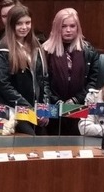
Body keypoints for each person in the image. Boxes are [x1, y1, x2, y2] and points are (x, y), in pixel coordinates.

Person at [0, 5, 49, 135]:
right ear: (11, 25)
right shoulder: (2, 49)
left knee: (42, 145)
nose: (24, 27)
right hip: (13, 109)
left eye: (27, 23)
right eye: (19, 24)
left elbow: (44, 81)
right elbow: (4, 85)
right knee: (27, 142)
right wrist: (28, 108)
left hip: (36, 112)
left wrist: (44, 110)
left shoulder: (37, 47)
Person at [41, 8, 100, 136]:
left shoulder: (89, 51)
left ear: (77, 27)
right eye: (63, 26)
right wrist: (56, 101)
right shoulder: (44, 51)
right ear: (57, 28)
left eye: (72, 26)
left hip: (79, 107)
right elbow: (42, 82)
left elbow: (92, 82)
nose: (68, 30)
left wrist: (74, 100)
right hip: (52, 108)